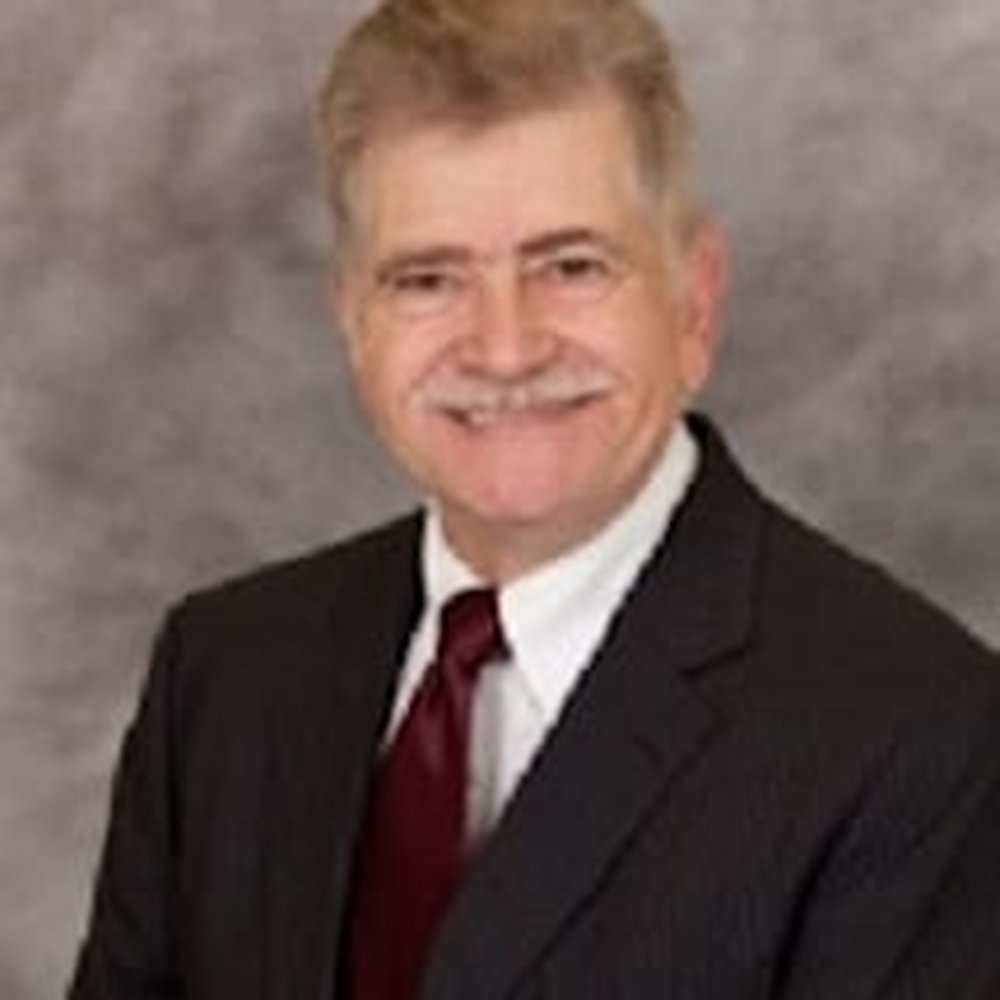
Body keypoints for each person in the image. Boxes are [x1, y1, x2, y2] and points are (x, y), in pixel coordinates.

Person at [69, 0, 1000, 997]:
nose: (504, 347)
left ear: (692, 301)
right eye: (428, 279)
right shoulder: (226, 673)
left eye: (571, 266)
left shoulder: (914, 731)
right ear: (353, 318)